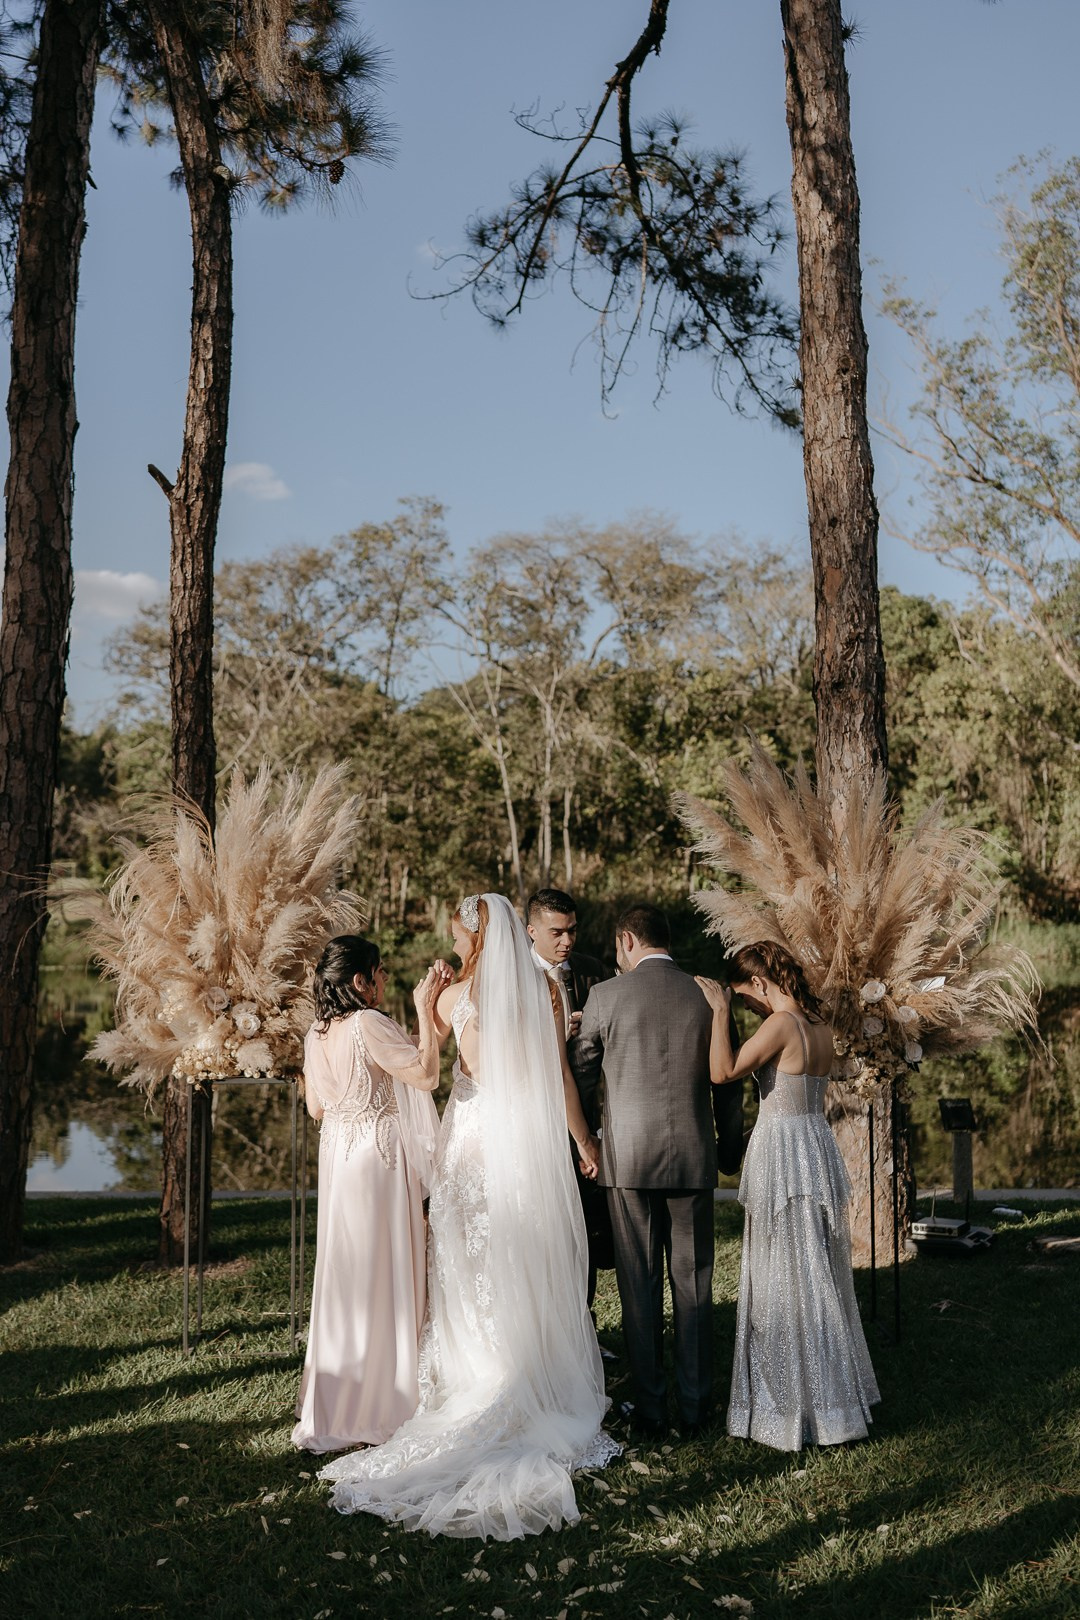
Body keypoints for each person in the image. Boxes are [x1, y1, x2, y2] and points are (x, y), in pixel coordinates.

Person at [319, 894, 620, 1539]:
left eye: (458, 935)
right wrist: (584, 1140)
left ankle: (474, 1373)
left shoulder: (456, 997)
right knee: (517, 1252)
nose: (453, 944)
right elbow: (560, 1076)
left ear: (478, 939)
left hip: (471, 1140)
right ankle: (525, 1362)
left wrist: (424, 1005)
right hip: (521, 1143)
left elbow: (432, 1064)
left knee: (468, 1258)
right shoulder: (546, 992)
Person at [698, 940, 880, 1451]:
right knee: (813, 1268)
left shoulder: (781, 1023)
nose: (746, 1007)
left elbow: (722, 1071)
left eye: (744, 997)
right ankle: (828, 1398)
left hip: (783, 1149)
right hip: (813, 1141)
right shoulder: (817, 1024)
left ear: (759, 982)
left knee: (785, 1273)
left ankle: (796, 1403)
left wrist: (718, 1013)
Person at [574, 904, 740, 1439]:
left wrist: (588, 1142)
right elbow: (728, 1081)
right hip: (693, 1157)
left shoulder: (604, 996)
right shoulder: (709, 995)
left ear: (627, 940)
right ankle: (694, 1411)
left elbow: (581, 1074)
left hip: (627, 1161)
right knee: (693, 1285)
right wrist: (729, 1151)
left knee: (638, 1287)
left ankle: (650, 1411)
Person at [292, 937, 450, 1454]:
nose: (383, 980)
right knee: (383, 1270)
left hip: (340, 1161)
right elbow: (426, 1074)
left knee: (347, 1275)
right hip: (378, 1164)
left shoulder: (317, 1033)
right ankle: (385, 1400)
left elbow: (316, 1108)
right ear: (360, 981)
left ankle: (339, 1400)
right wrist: (423, 1010)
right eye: (379, 972)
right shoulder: (367, 1023)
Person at [526, 888, 614, 1322]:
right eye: (556, 932)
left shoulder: (594, 973)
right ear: (531, 931)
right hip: (531, 1120)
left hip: (584, 1114)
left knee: (581, 1227)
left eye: (572, 931)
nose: (567, 941)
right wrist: (555, 1035)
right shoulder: (512, 977)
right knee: (538, 1229)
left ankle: (583, 1327)